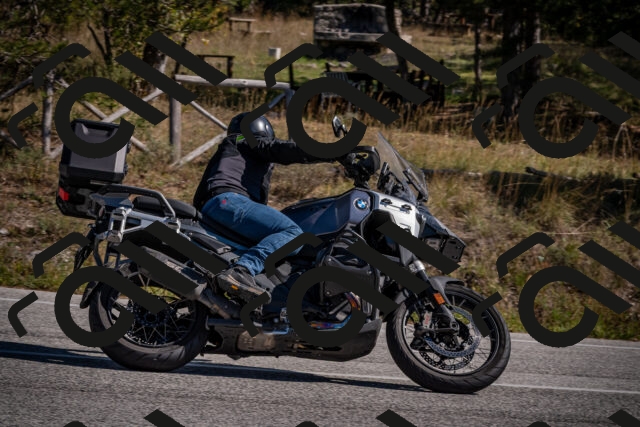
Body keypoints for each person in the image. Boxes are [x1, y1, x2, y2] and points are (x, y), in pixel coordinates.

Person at [193, 112, 345, 305]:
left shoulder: (239, 152)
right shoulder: (242, 140)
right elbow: (280, 149)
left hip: (220, 205)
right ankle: (242, 271)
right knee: (293, 233)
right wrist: (333, 151)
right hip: (227, 201)